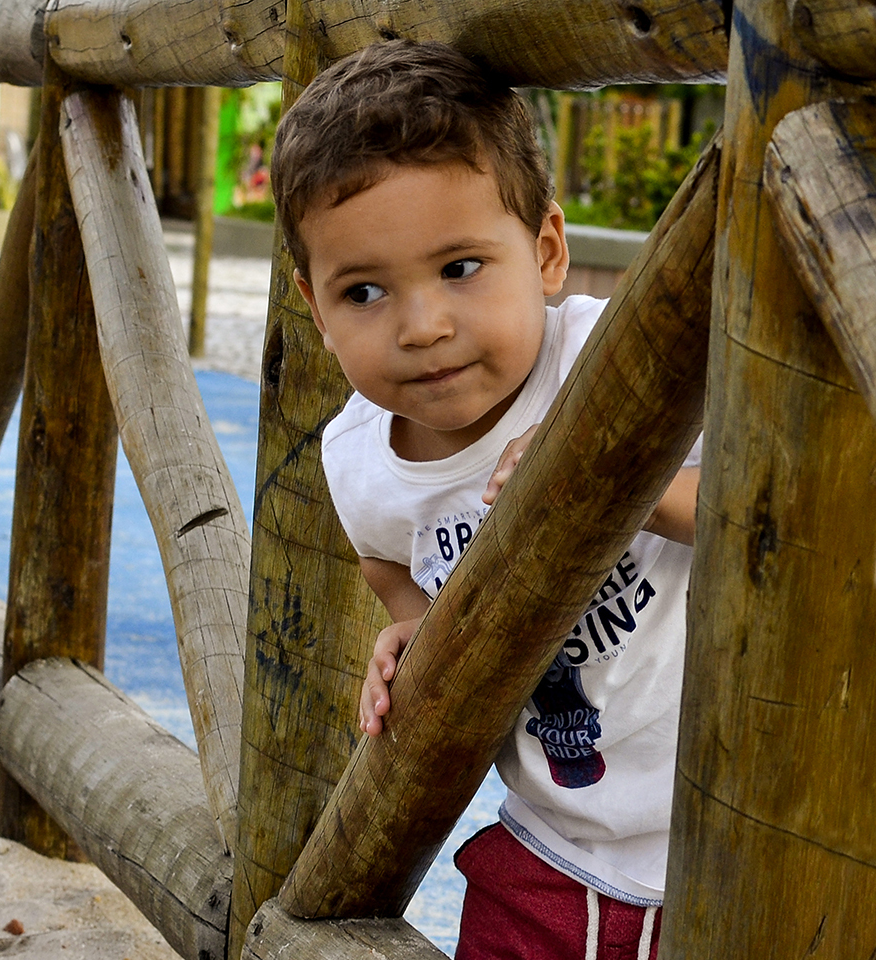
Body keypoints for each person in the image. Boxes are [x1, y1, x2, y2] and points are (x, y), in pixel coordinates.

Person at [269, 39, 699, 960]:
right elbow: (389, 562)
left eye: (460, 267)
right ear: (315, 306)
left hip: (741, 823)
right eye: (365, 291)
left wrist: (626, 478)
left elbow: (766, 517)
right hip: (553, 849)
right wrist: (412, 632)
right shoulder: (360, 459)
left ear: (546, 252)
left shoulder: (614, 366)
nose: (423, 326)